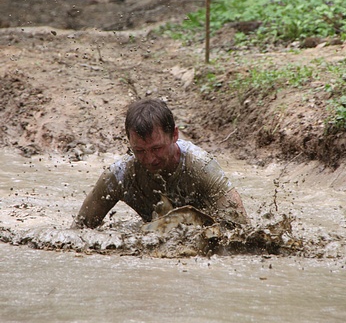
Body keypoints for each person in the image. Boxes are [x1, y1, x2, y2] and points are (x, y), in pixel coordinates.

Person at [72, 98, 250, 229]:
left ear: (174, 135)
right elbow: (79, 230)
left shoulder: (201, 167)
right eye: (140, 151)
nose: (150, 159)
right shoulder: (119, 176)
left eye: (157, 148)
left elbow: (242, 230)